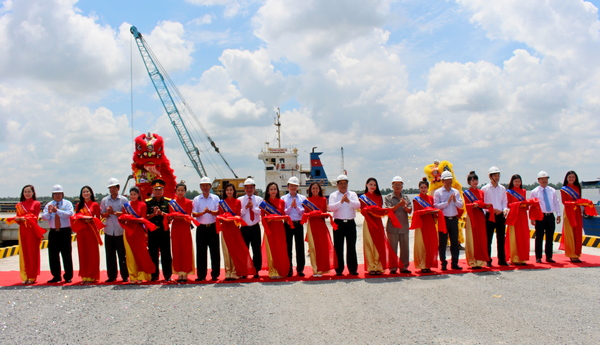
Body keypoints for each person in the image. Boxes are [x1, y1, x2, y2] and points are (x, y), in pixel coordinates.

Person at [360, 177, 399, 275]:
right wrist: (369, 210)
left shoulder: (378, 197)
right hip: (368, 222)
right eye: (371, 184)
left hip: (378, 221)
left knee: (379, 244)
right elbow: (362, 211)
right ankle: (371, 267)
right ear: (366, 185)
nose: (372, 186)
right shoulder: (363, 197)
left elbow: (380, 210)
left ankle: (379, 266)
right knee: (369, 244)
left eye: (374, 185)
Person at [7, 185, 45, 284]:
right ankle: (25, 276)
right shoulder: (19, 205)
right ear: (23, 193)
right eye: (25, 191)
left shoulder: (36, 204)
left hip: (32, 230)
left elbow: (35, 217)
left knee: (32, 253)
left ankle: (32, 276)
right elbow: (18, 218)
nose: (27, 193)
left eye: (29, 191)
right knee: (24, 253)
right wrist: (18, 219)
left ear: (33, 193)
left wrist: (24, 218)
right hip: (23, 230)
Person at [118, 186, 156, 284]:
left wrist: (137, 222)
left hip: (138, 231)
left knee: (140, 254)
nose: (133, 196)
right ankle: (132, 276)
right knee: (130, 255)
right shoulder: (126, 205)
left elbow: (143, 219)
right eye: (131, 194)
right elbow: (123, 217)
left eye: (135, 194)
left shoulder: (142, 205)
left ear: (138, 195)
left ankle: (141, 275)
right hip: (128, 231)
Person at [218, 183, 255, 280]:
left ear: (234, 191)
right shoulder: (222, 203)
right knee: (226, 251)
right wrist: (224, 218)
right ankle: (228, 272)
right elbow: (220, 216)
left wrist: (232, 218)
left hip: (234, 229)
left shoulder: (237, 202)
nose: (229, 191)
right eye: (227, 190)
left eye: (231, 189)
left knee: (235, 251)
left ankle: (235, 272)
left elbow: (238, 215)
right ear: (225, 192)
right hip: (225, 229)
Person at [559, 171, 595, 263]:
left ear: (575, 179)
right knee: (570, 232)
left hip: (577, 211)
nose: (571, 179)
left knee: (577, 232)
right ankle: (571, 254)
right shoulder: (564, 189)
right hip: (568, 211)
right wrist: (574, 203)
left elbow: (579, 199)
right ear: (566, 178)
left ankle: (577, 253)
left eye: (573, 177)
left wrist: (585, 203)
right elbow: (564, 202)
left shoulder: (577, 187)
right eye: (569, 177)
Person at [328, 174, 360, 276]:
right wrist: (341, 202)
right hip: (338, 223)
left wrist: (348, 201)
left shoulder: (353, 194)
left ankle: (352, 269)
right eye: (341, 183)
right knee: (338, 247)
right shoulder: (333, 195)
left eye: (345, 183)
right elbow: (331, 208)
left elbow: (358, 205)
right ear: (337, 185)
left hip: (350, 223)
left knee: (351, 246)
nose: (343, 186)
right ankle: (339, 269)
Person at [302, 182, 337, 277]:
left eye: (317, 188)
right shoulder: (307, 200)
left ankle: (322, 269)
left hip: (321, 226)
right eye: (313, 188)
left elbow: (325, 214)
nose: (315, 190)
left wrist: (321, 214)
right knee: (313, 248)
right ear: (310, 190)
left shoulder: (323, 199)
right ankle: (315, 269)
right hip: (312, 225)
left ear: (319, 189)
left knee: (322, 247)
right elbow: (305, 214)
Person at [42, 184, 74, 283]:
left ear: (62, 194)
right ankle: (56, 276)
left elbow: (69, 214)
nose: (57, 196)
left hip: (65, 231)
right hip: (53, 232)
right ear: (53, 195)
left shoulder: (67, 203)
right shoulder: (49, 205)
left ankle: (68, 276)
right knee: (53, 255)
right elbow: (44, 217)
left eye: (59, 194)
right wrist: (50, 212)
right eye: (55, 194)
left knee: (66, 254)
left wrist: (58, 211)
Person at [71, 186, 103, 284]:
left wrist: (90, 220)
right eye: (84, 192)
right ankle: (84, 275)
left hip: (91, 230)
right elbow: (75, 217)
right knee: (83, 253)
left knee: (92, 253)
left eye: (87, 191)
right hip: (81, 231)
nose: (85, 193)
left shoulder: (95, 205)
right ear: (81, 194)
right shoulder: (79, 205)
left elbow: (98, 219)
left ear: (91, 193)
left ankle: (93, 276)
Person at [100, 178, 129, 283]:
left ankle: (125, 275)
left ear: (118, 188)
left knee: (122, 254)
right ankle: (112, 276)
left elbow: (127, 214)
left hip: (120, 230)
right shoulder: (105, 200)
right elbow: (102, 214)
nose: (112, 189)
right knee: (110, 255)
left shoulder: (124, 200)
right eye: (110, 188)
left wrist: (114, 212)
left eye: (114, 187)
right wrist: (108, 213)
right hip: (109, 231)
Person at [192, 176, 221, 282]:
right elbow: (194, 213)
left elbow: (218, 212)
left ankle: (215, 274)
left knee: (215, 252)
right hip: (201, 228)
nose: (205, 187)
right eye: (203, 185)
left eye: (207, 185)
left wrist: (210, 212)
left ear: (210, 186)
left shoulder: (215, 198)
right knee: (201, 252)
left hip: (213, 227)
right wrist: (203, 213)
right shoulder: (196, 199)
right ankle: (201, 275)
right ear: (200, 187)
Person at [434, 171, 464, 270]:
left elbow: (461, 205)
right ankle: (443, 263)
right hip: (444, 219)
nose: (449, 182)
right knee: (442, 242)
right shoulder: (438, 192)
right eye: (447, 180)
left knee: (455, 242)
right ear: (442, 181)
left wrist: (455, 200)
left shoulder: (455, 192)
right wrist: (447, 202)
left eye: (450, 180)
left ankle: (455, 262)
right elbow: (436, 205)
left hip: (454, 219)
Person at [260, 182, 291, 279]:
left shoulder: (281, 202)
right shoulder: (264, 203)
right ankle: (272, 271)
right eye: (271, 189)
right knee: (271, 249)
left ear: (277, 191)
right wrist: (266, 229)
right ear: (268, 191)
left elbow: (283, 216)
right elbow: (262, 217)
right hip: (270, 228)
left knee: (280, 249)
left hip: (279, 228)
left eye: (275, 189)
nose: (273, 191)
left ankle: (280, 270)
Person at [167, 182, 196, 283]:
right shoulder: (172, 203)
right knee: (176, 249)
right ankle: (179, 272)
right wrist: (174, 216)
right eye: (178, 190)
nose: (180, 192)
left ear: (185, 191)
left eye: (182, 190)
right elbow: (171, 216)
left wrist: (178, 216)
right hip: (175, 228)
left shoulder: (188, 202)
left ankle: (186, 273)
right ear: (176, 191)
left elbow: (188, 217)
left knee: (186, 250)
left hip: (185, 228)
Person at [410, 178, 440, 273]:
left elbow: (434, 211)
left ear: (427, 188)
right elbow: (415, 213)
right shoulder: (416, 199)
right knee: (421, 244)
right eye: (422, 187)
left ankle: (429, 264)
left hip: (430, 223)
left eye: (425, 187)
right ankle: (422, 265)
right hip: (421, 224)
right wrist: (425, 211)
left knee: (430, 243)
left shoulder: (431, 199)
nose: (423, 189)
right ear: (419, 188)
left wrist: (435, 212)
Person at [530, 171, 561, 263]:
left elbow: (556, 203)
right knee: (539, 237)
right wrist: (532, 218)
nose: (544, 181)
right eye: (542, 179)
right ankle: (538, 257)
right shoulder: (534, 192)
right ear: (538, 180)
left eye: (546, 179)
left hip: (550, 216)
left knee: (550, 237)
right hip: (540, 216)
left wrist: (558, 214)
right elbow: (532, 206)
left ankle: (549, 257)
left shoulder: (552, 190)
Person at [462, 172, 491, 269]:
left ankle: (481, 260)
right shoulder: (466, 193)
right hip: (471, 216)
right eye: (473, 180)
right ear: (469, 182)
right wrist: (473, 205)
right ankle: (472, 260)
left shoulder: (481, 192)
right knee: (472, 237)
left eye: (476, 180)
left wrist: (485, 205)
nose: (475, 182)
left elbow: (482, 203)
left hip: (480, 216)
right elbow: (465, 205)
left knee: (481, 238)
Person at [145, 179, 173, 281]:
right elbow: (145, 217)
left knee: (166, 253)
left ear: (163, 190)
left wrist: (161, 213)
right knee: (153, 253)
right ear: (152, 190)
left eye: (160, 189)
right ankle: (154, 274)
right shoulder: (148, 202)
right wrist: (153, 214)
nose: (158, 191)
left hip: (164, 230)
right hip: (152, 231)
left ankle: (167, 275)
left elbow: (171, 216)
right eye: (156, 189)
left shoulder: (168, 202)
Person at [481, 166, 509, 267]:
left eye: (498, 175)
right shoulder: (485, 189)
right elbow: (483, 204)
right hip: (490, 216)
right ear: (490, 176)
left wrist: (505, 209)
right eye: (495, 175)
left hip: (500, 215)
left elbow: (504, 201)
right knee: (488, 239)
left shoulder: (502, 188)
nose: (497, 177)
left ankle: (502, 259)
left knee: (501, 238)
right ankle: (488, 260)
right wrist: (491, 210)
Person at [384, 176, 412, 274]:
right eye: (395, 184)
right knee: (392, 248)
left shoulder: (406, 197)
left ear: (402, 186)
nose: (397, 186)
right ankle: (392, 267)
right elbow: (388, 211)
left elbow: (409, 211)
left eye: (399, 184)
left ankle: (404, 266)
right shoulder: (388, 198)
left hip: (404, 226)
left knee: (405, 248)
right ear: (392, 186)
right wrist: (398, 205)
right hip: (392, 227)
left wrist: (404, 205)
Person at [505, 174, 534, 265]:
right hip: (514, 216)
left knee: (523, 236)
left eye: (519, 181)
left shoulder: (523, 191)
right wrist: (518, 204)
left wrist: (526, 204)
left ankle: (523, 257)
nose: (517, 183)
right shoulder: (509, 192)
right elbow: (508, 204)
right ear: (512, 182)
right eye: (516, 181)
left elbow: (525, 203)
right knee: (514, 236)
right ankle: (514, 257)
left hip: (522, 216)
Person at [281, 176, 307, 277]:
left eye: (295, 186)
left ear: (298, 187)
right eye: (291, 185)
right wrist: (291, 207)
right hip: (288, 224)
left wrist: (297, 207)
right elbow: (283, 212)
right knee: (288, 248)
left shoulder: (302, 198)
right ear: (288, 187)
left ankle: (300, 269)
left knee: (300, 247)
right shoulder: (283, 199)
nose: (293, 188)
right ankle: (289, 269)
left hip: (298, 224)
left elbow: (304, 212)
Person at [238, 178, 263, 279]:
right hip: (244, 227)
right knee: (244, 250)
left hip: (255, 227)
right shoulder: (240, 200)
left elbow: (261, 212)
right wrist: (246, 208)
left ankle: (256, 270)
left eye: (251, 188)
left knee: (256, 250)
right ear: (244, 189)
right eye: (247, 188)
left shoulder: (259, 199)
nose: (249, 190)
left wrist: (252, 208)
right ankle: (244, 270)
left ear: (254, 188)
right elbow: (238, 213)